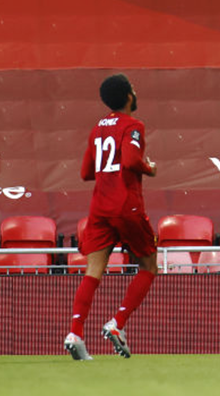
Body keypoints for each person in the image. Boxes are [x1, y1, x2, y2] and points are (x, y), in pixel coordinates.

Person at [64, 74, 158, 361]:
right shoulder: (134, 125)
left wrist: (108, 170)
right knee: (149, 264)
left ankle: (76, 333)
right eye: (133, 87)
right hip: (126, 205)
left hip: (100, 206)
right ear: (128, 96)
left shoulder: (97, 128)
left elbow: (85, 173)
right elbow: (130, 161)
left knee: (94, 270)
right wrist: (149, 168)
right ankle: (117, 323)